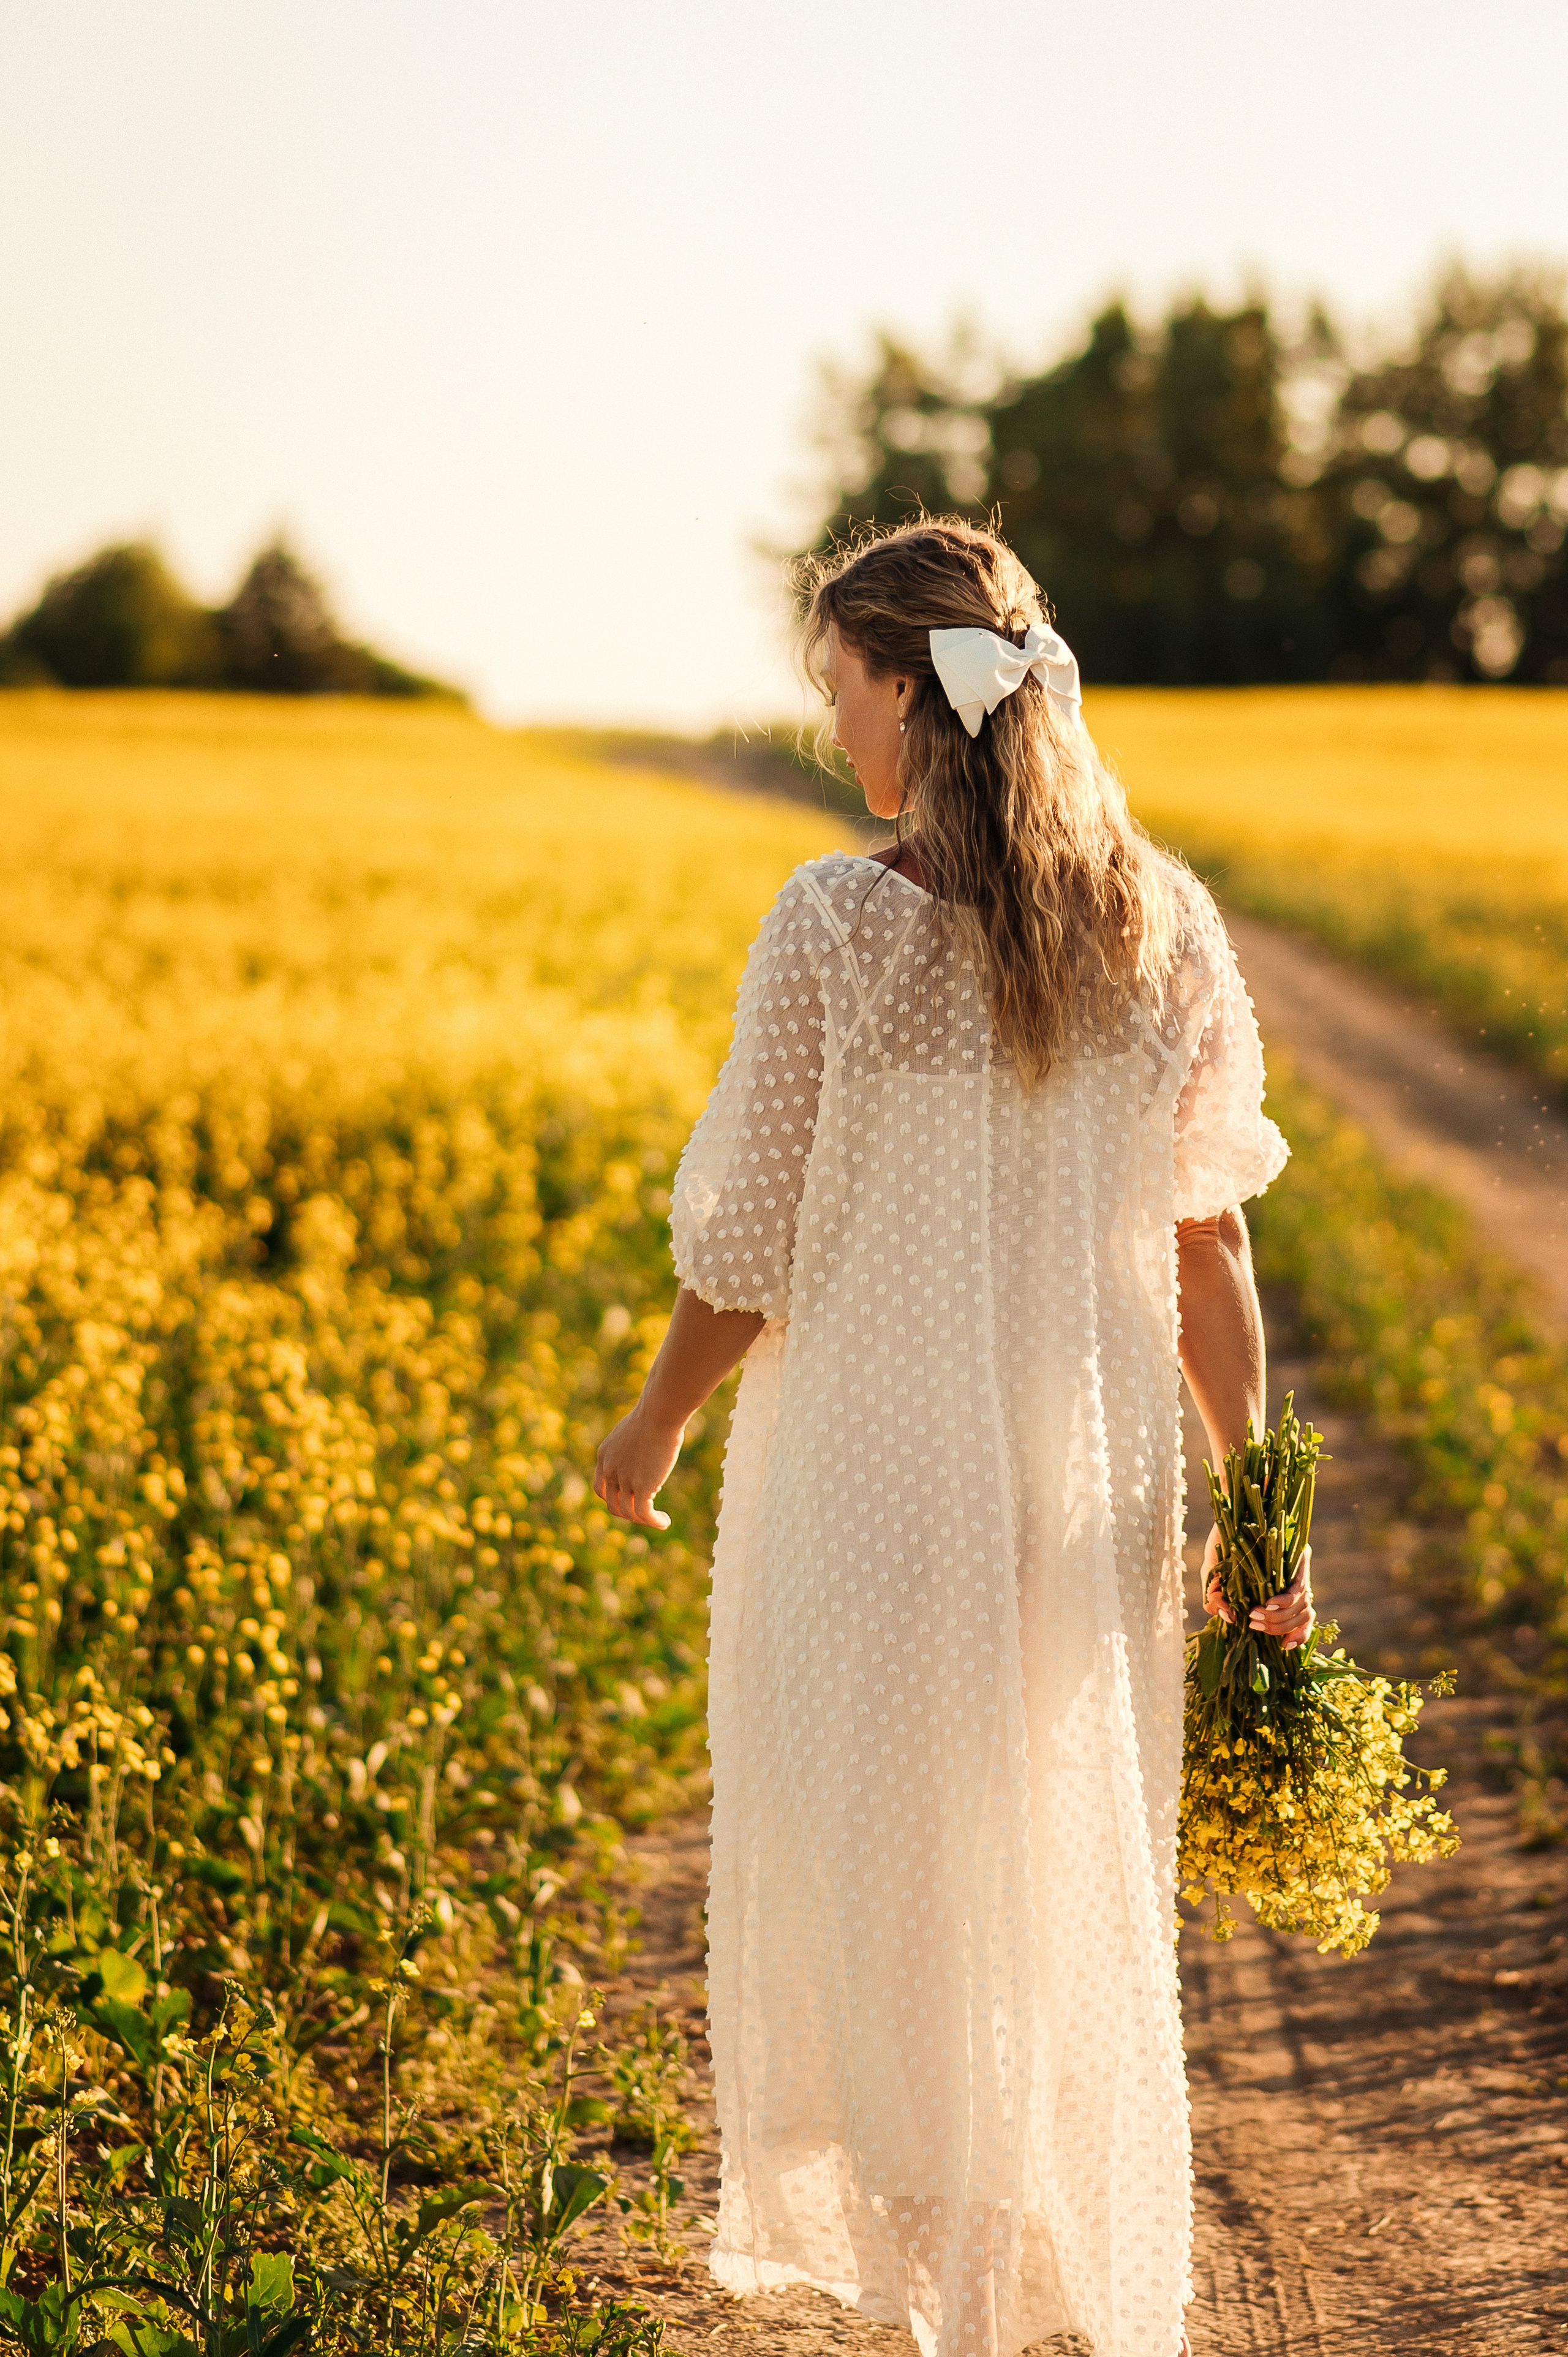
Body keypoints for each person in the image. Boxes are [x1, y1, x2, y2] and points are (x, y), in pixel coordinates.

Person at [594, 518, 1312, 2357]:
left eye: (842, 691)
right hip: (1084, 1492)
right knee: (1050, 1871)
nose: (838, 730)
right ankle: (1014, 2295)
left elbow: (748, 1245)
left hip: (875, 1482)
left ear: (908, 691)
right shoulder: (1162, 925)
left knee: (890, 1911)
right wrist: (1260, 1500)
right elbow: (1211, 1234)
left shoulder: (834, 922)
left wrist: (654, 1424)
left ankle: (955, 2323)